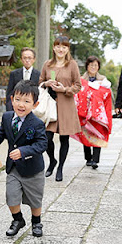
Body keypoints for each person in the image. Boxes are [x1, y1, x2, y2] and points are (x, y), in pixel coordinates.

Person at [0, 80, 48, 237]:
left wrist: (24, 151)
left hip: (33, 169)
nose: (21, 105)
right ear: (12, 100)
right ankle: (17, 219)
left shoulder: (37, 123)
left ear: (35, 104)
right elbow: (1, 134)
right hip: (14, 168)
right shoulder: (7, 118)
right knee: (11, 197)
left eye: (27, 101)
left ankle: (37, 222)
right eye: (18, 100)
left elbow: (42, 144)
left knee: (35, 199)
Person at [39, 36, 82, 182]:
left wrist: (65, 89)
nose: (61, 49)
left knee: (64, 138)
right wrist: (46, 83)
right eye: (58, 46)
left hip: (66, 105)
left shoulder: (72, 65)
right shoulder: (47, 64)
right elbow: (39, 83)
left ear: (68, 49)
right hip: (50, 105)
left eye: (64, 47)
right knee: (47, 138)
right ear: (53, 47)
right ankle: (52, 160)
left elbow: (78, 86)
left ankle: (60, 168)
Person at [73, 56, 113, 170]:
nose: (93, 67)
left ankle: (95, 159)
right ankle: (88, 158)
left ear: (98, 67)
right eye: (91, 65)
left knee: (97, 133)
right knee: (85, 134)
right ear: (87, 66)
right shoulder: (81, 80)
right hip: (84, 111)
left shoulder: (103, 80)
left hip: (98, 113)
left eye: (95, 65)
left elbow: (106, 94)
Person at [5, 47, 40, 112]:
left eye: (29, 58)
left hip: (33, 110)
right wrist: (10, 109)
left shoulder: (39, 75)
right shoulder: (14, 74)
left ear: (34, 59)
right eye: (25, 58)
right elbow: (9, 93)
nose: (27, 60)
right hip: (16, 109)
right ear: (21, 59)